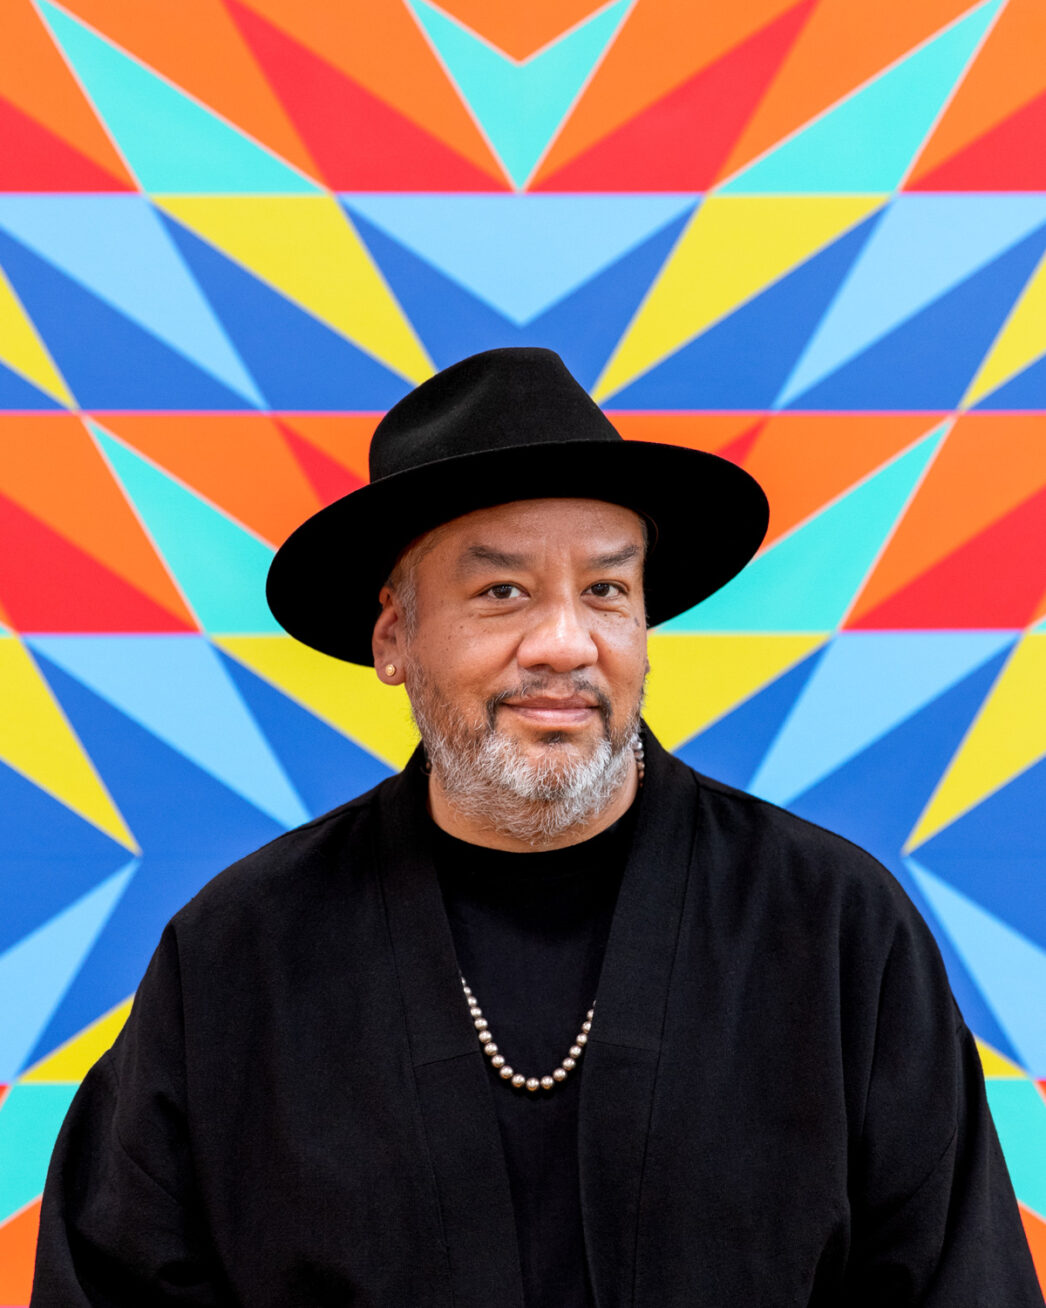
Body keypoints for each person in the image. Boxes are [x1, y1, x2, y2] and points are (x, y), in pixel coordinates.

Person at [32, 348, 1042, 1307]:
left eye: (604, 590)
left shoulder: (833, 931)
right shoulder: (235, 958)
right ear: (394, 635)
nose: (564, 643)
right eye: (501, 591)